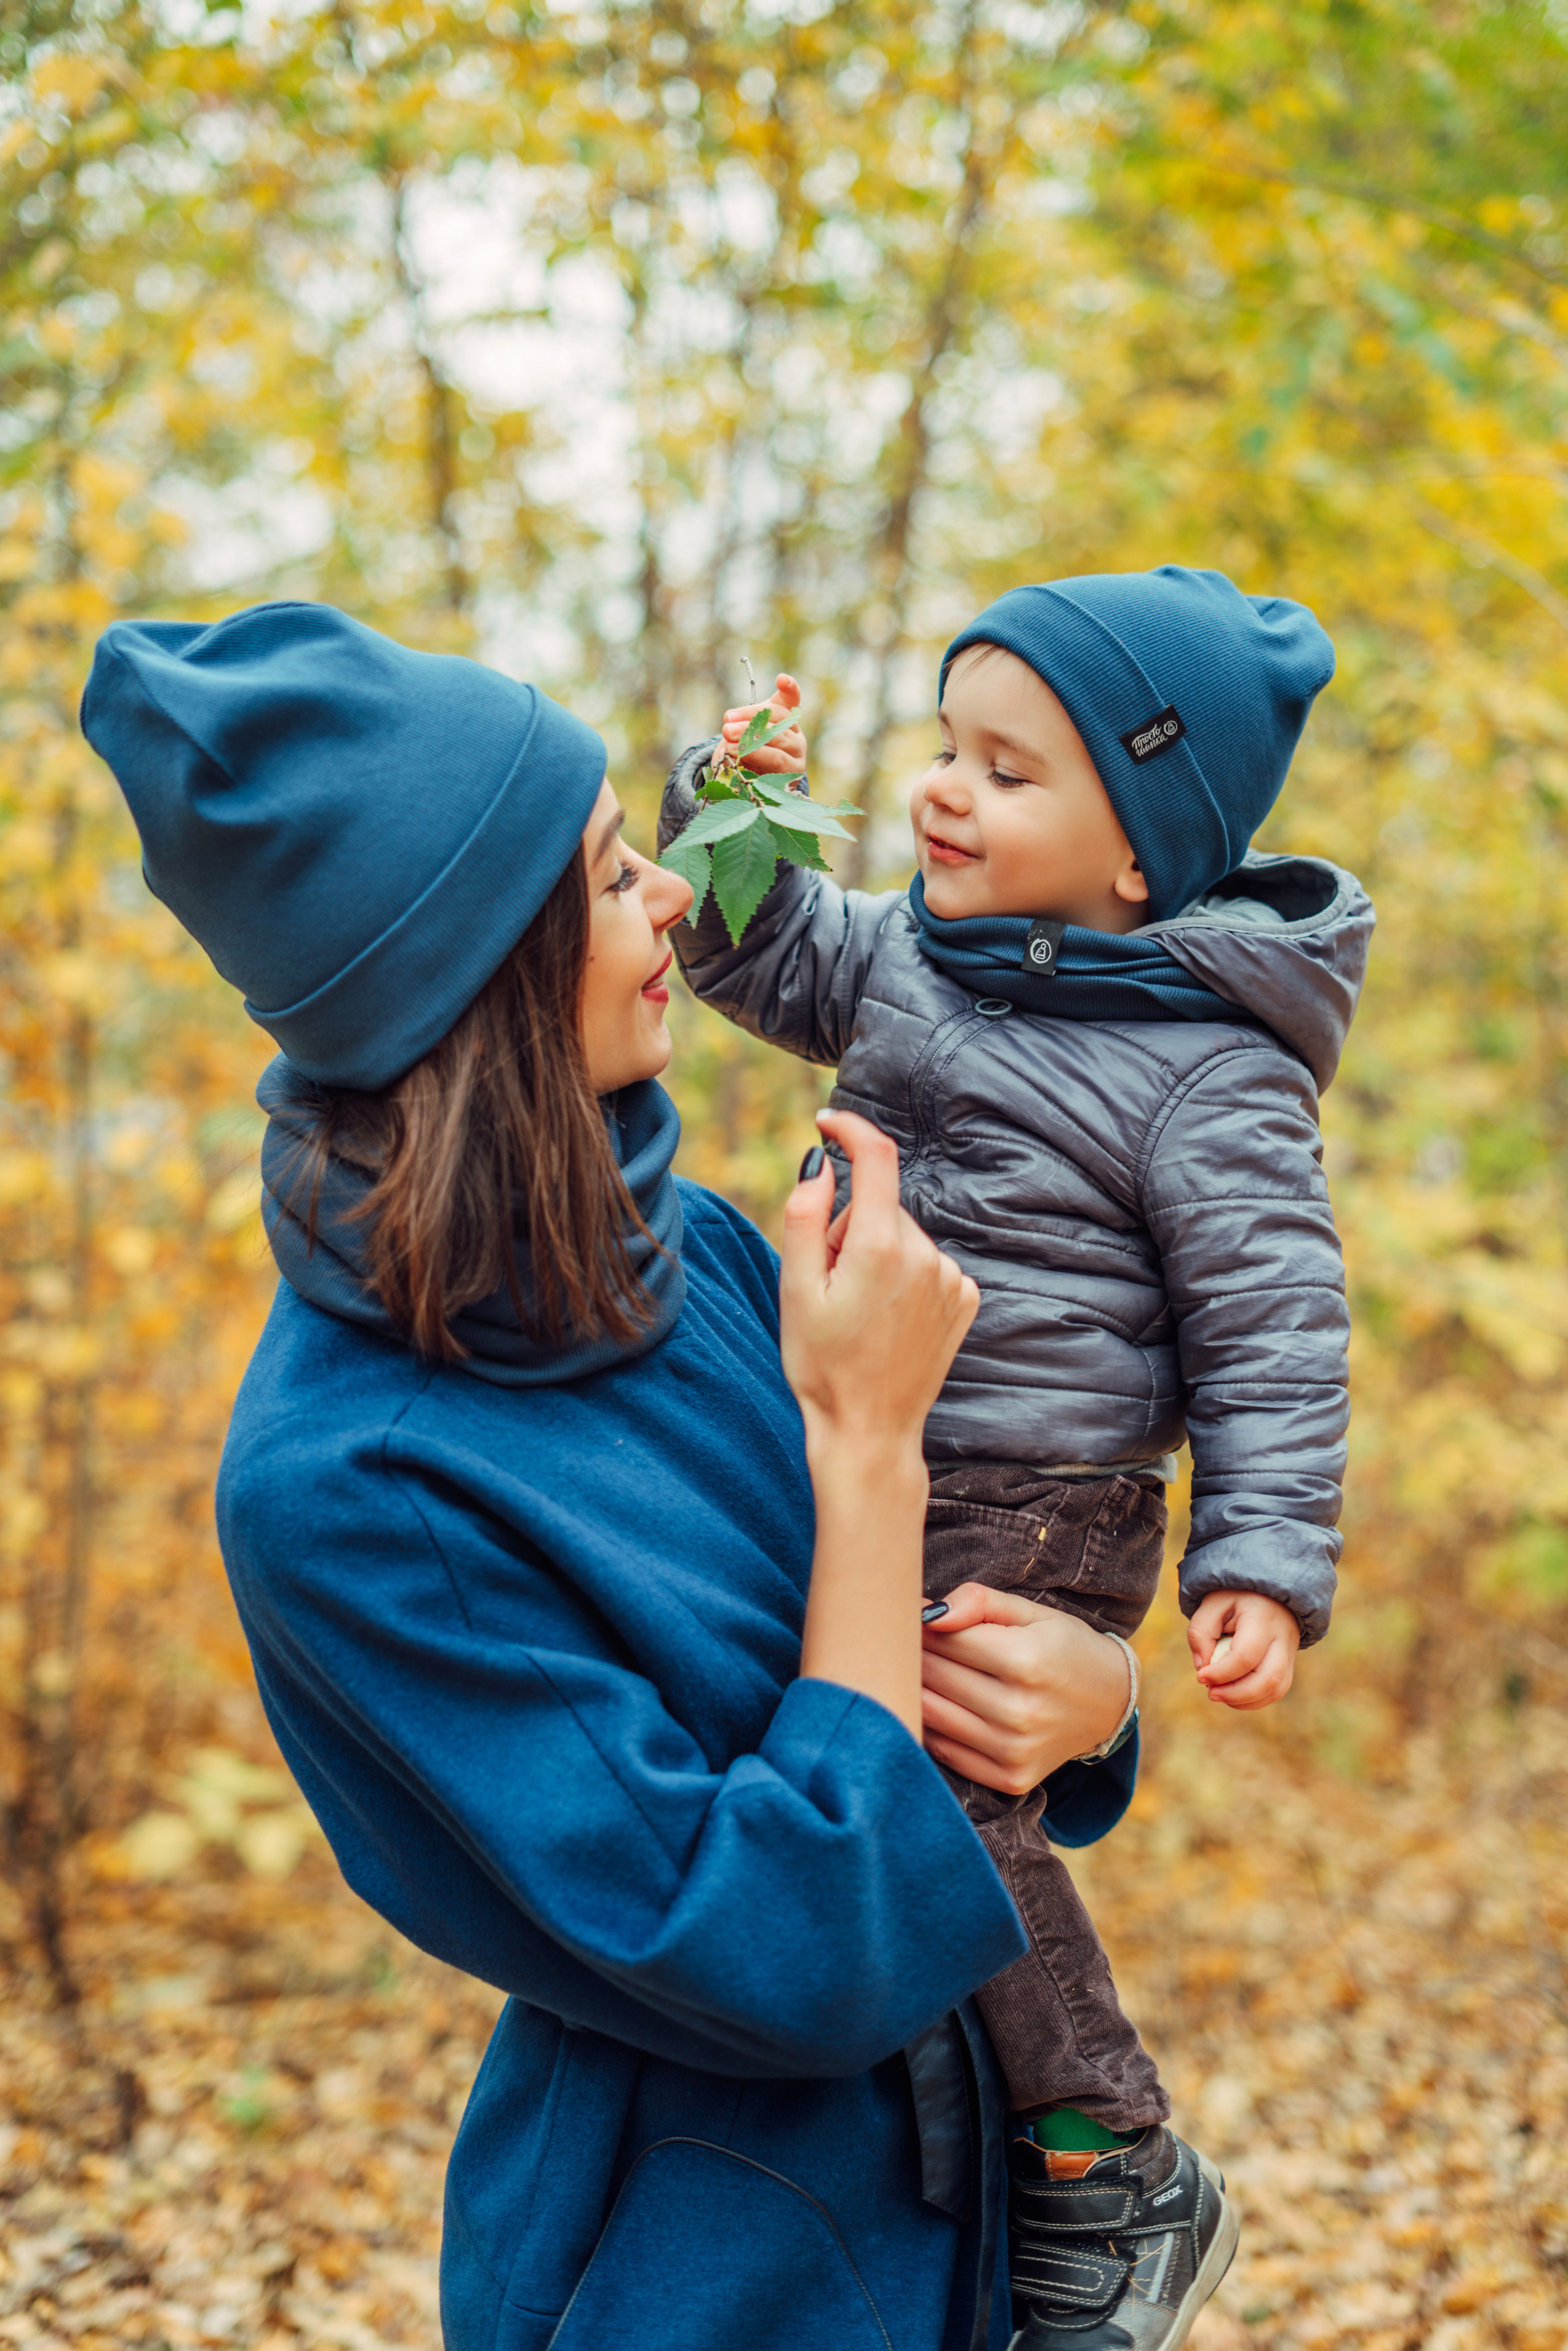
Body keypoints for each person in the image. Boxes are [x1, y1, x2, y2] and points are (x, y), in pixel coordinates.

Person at [80, 599, 1145, 2351]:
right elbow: (795, 1944)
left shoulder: (702, 1255)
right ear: (470, 969)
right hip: (699, 2282)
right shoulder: (351, 1485)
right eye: (604, 874)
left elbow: (930, 1678)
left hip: (963, 2229)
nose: (668, 900)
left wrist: (1093, 1696)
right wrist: (869, 1444)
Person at [661, 567, 1376, 2351]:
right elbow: (743, 942)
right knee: (849, 1771)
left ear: (1137, 853)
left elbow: (1272, 1334)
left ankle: (1109, 2153)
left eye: (1004, 769)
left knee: (941, 1798)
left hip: (1041, 1497)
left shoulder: (1206, 1071)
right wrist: (731, 802)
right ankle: (956, 2140)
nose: (941, 794)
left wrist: (1256, 1566)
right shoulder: (907, 951)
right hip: (871, 1449)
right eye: (941, 748)